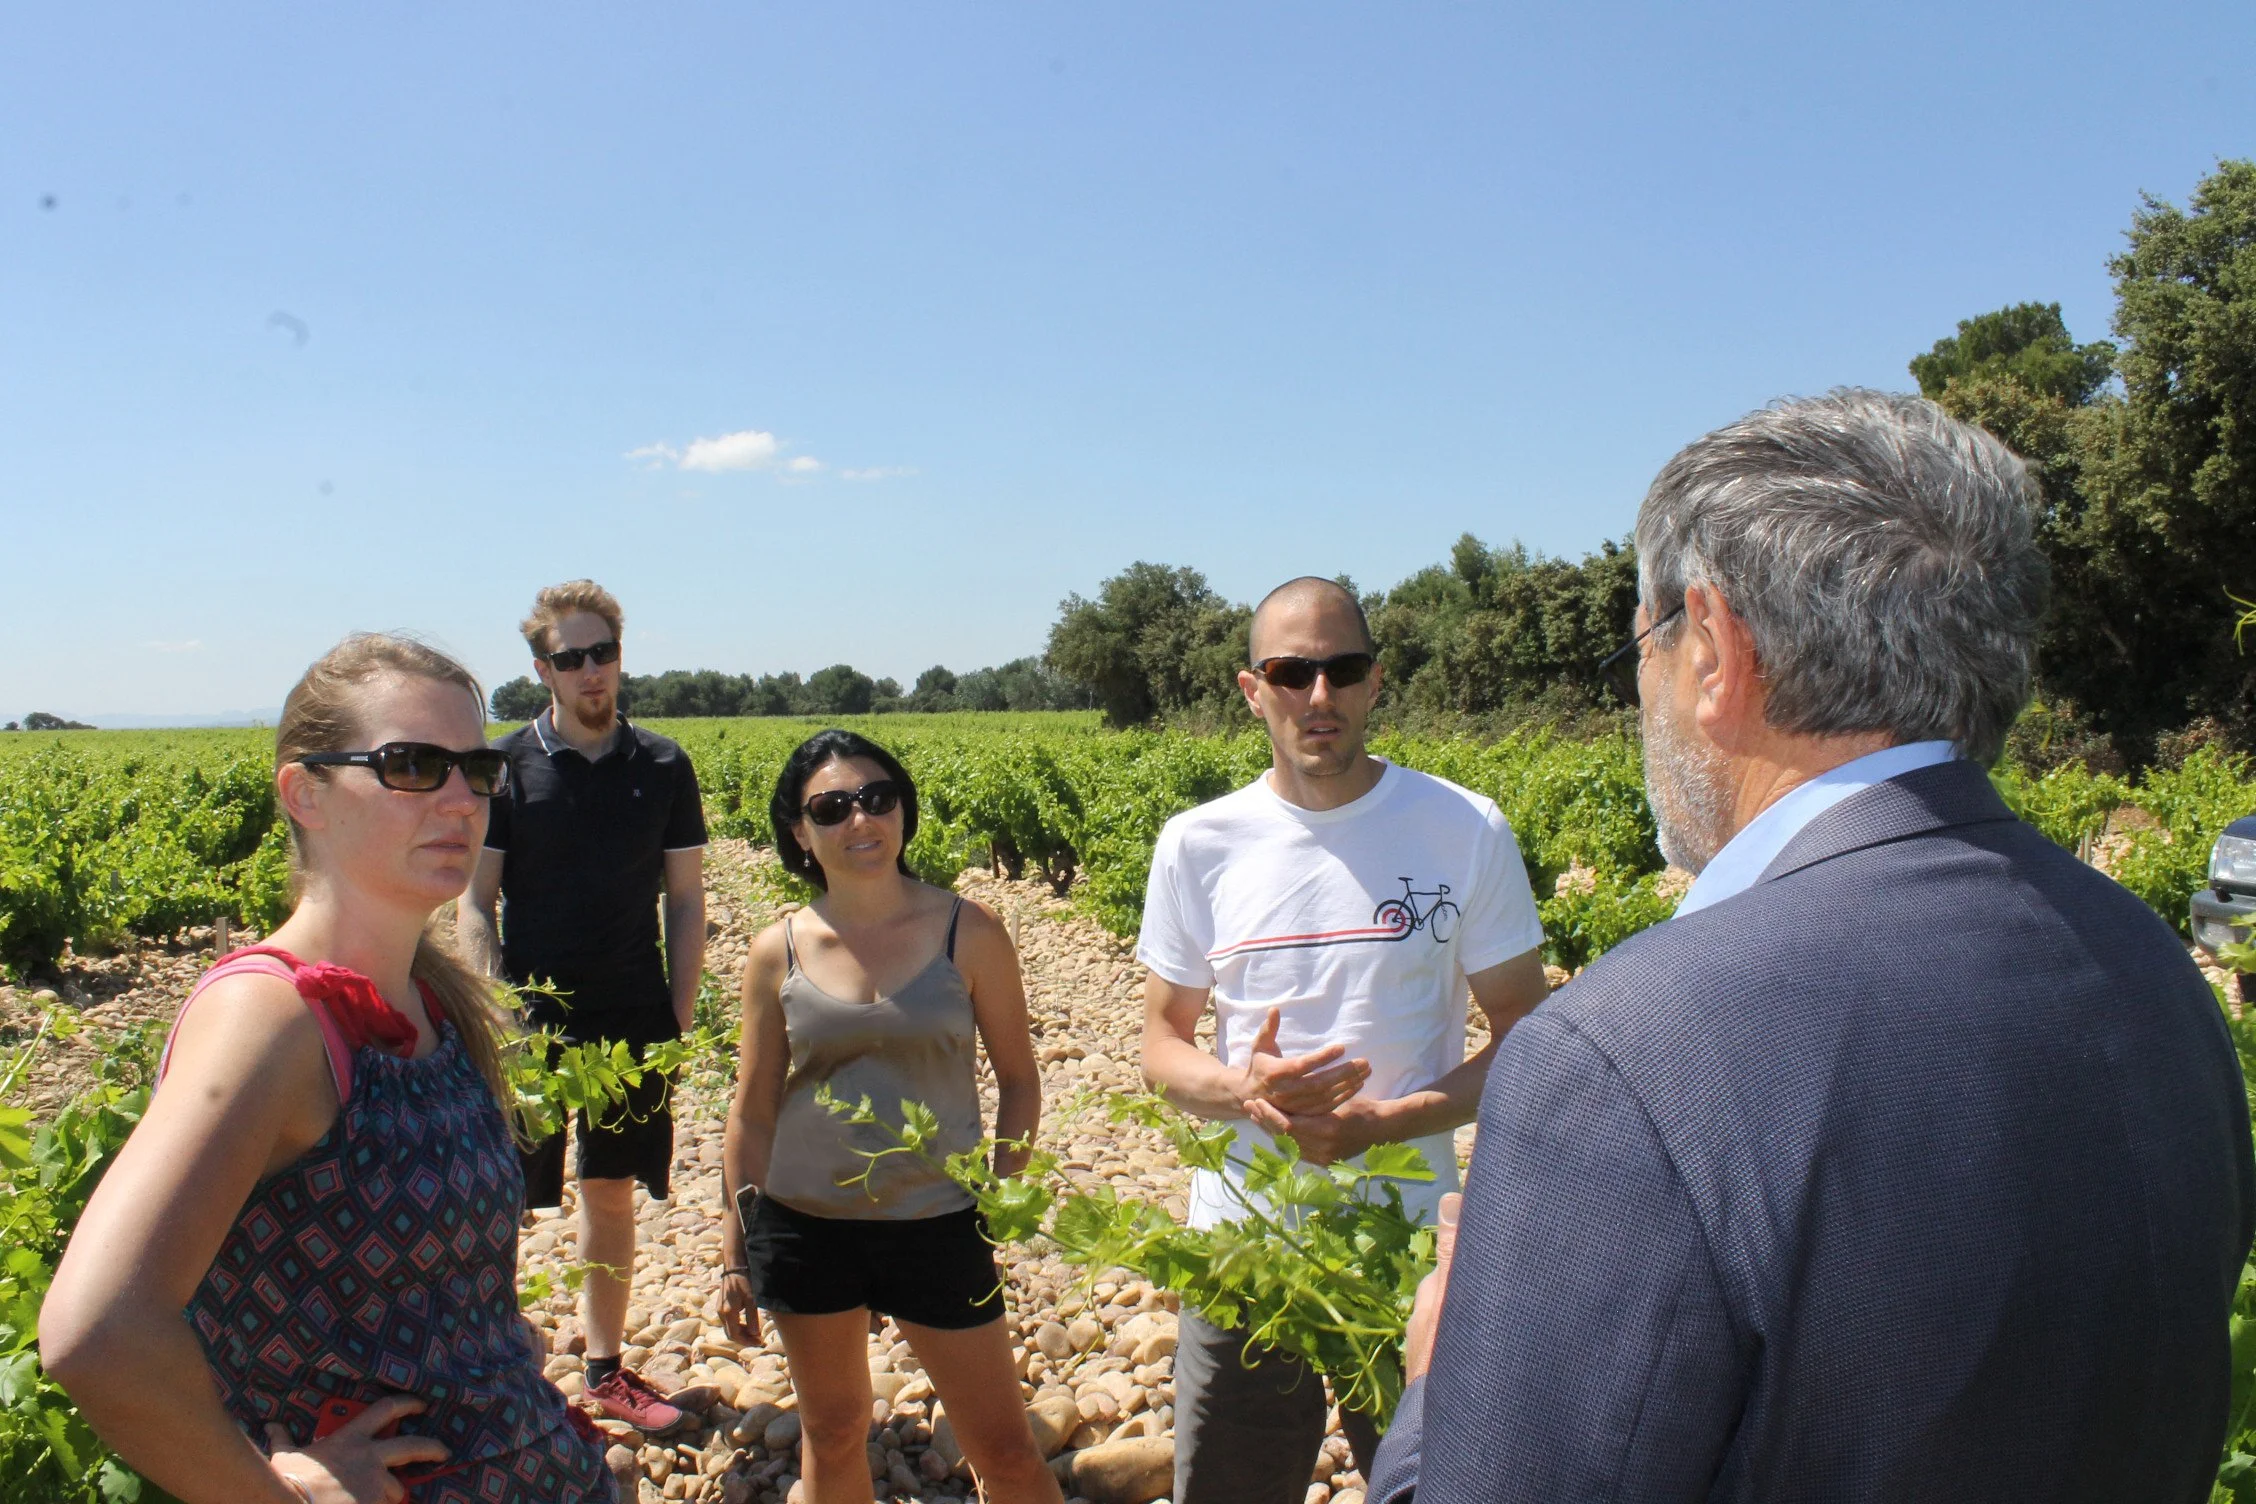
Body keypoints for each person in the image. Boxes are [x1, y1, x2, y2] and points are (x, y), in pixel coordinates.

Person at [1369, 390, 2256, 1503]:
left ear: (1716, 651)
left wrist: (1432, 1395)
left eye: (1646, 641)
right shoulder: (2151, 967)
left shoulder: (1627, 1050)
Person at [41, 634, 612, 1504]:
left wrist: (485, 1343)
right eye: (414, 765)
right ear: (304, 793)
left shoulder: (430, 996)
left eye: (477, 768)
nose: (462, 800)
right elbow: (99, 1333)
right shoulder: (271, 1019)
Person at [1136, 577, 1553, 1504]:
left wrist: (1389, 1121)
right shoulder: (1198, 844)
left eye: (1342, 670)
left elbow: (1527, 1035)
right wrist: (1246, 1087)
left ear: (1374, 683)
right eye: (1291, 673)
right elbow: (1161, 1045)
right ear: (1253, 690)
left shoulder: (1463, 829)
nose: (1317, 697)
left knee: (1438, 1486)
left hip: (1408, 1252)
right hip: (1242, 1251)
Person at [717, 730, 1064, 1504]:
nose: (860, 820)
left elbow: (1018, 1081)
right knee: (834, 1435)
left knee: (1005, 1449)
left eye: (877, 799)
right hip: (806, 1225)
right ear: (800, 833)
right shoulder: (779, 948)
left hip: (938, 1223)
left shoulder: (968, 930)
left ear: (903, 810)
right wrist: (738, 1249)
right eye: (832, 808)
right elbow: (752, 1108)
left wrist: (1001, 1193)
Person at [457, 580, 708, 1436]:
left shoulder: (665, 766)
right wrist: (497, 1015)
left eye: (602, 652)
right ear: (544, 670)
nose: (591, 670)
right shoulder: (505, 766)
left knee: (609, 1192)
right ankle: (494, 1368)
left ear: (620, 657)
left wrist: (677, 1011)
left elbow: (686, 897)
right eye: (571, 658)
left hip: (634, 1014)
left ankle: (604, 1369)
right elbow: (473, 903)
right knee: (504, 1198)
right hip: (530, 1023)